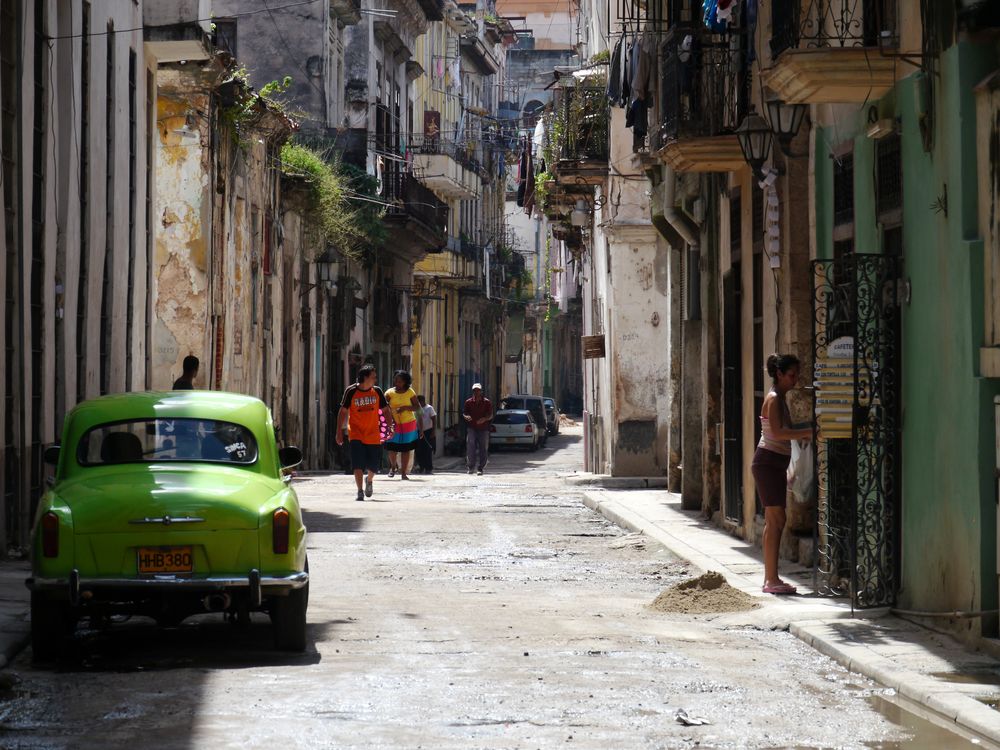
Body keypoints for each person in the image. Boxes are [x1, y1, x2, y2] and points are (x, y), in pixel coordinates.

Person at [751, 353, 814, 595]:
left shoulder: (780, 398)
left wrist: (806, 428)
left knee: (776, 520)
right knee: (776, 520)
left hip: (773, 464)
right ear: (779, 374)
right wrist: (809, 431)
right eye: (791, 375)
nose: (795, 380)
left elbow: (784, 430)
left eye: (797, 375)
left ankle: (771, 577)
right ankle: (771, 579)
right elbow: (778, 433)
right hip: (768, 464)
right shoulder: (775, 398)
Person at [336, 364, 395, 501]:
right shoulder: (351, 391)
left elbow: (386, 410)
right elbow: (343, 412)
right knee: (357, 463)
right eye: (373, 377)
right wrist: (339, 431)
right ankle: (359, 491)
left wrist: (390, 427)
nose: (375, 379)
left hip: (373, 433)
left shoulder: (377, 391)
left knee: (373, 466)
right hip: (356, 433)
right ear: (365, 377)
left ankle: (369, 480)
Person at [383, 370, 421, 480]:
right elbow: (383, 407)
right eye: (396, 380)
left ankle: (403, 473)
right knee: (392, 447)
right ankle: (393, 467)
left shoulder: (410, 392)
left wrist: (405, 408)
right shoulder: (389, 393)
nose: (397, 383)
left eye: (400, 381)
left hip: (408, 424)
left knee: (406, 449)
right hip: (393, 424)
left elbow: (417, 407)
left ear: (405, 382)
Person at [463, 383, 493, 475]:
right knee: (470, 447)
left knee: (483, 448)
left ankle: (480, 468)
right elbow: (464, 413)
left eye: (478, 390)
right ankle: (471, 467)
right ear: (473, 391)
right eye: (475, 390)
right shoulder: (468, 402)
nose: (476, 392)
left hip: (483, 428)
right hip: (472, 427)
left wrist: (484, 419)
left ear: (481, 391)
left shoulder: (487, 402)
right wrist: (466, 417)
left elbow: (490, 415)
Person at [414, 395, 437, 474]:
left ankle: (428, 468)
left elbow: (434, 419)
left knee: (427, 450)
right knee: (419, 450)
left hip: (428, 431)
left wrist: (433, 431)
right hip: (417, 431)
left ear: (422, 401)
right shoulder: (416, 409)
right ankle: (421, 467)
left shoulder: (429, 408)